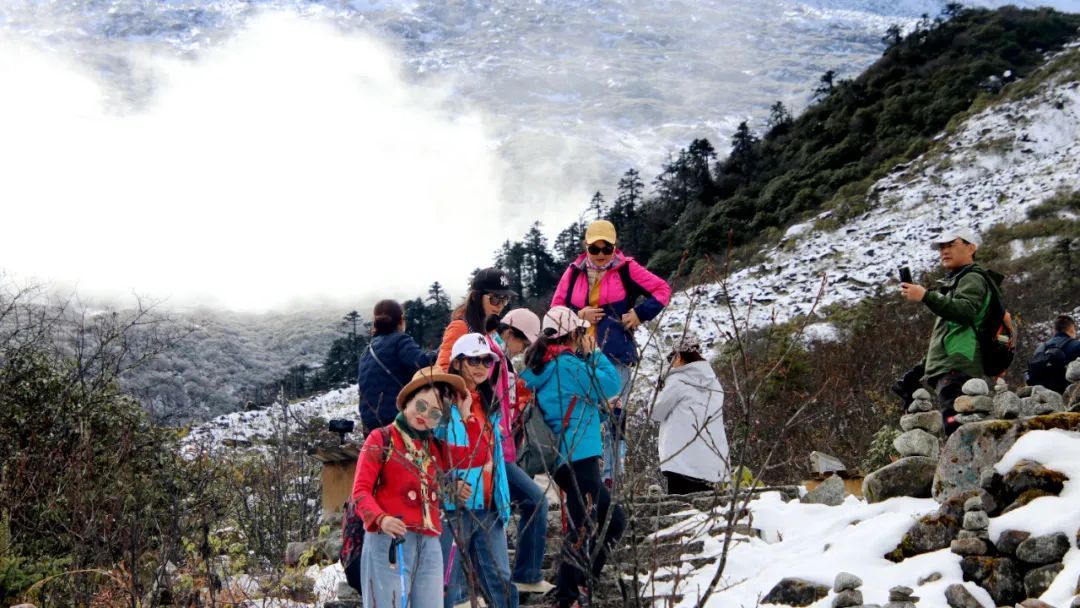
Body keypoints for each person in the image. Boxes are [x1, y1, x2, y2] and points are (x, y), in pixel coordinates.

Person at [551, 219, 671, 486]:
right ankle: (586, 478)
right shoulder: (573, 272)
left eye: (608, 249)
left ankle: (612, 478)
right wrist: (578, 315)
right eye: (596, 249)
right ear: (586, 246)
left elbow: (663, 290)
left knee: (615, 415)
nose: (603, 255)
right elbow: (555, 310)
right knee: (584, 416)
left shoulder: (627, 268)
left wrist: (640, 314)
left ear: (615, 247)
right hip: (579, 357)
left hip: (616, 354)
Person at [520, 306, 626, 608]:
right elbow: (609, 383)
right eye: (582, 333)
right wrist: (594, 354)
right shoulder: (567, 365)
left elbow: (575, 408)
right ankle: (568, 595)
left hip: (568, 456)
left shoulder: (547, 367)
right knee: (588, 524)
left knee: (611, 520)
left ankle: (578, 584)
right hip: (577, 455)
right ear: (575, 335)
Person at [348, 366, 474, 608]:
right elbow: (360, 491)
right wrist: (381, 519)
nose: (424, 415)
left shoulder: (435, 448)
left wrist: (466, 414)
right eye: (421, 405)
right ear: (408, 400)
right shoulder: (381, 439)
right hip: (388, 539)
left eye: (435, 414)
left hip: (429, 542)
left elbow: (474, 455)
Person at [437, 333, 519, 608]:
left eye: (486, 360)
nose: (482, 366)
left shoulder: (488, 404)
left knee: (501, 583)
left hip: (489, 506)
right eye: (475, 359)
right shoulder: (439, 404)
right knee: (448, 588)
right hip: (452, 510)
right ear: (458, 363)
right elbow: (427, 456)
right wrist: (448, 487)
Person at [900, 228, 1001, 435]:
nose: (944, 251)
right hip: (954, 363)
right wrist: (921, 369)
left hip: (959, 364)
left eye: (950, 245)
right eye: (941, 247)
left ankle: (965, 466)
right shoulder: (957, 281)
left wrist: (926, 296)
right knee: (959, 423)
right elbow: (949, 336)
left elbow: (966, 312)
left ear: (971, 248)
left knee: (957, 426)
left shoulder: (972, 277)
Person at [495, 308, 554, 595]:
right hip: (494, 451)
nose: (523, 349)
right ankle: (526, 575)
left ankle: (522, 575)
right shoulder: (493, 358)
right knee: (535, 501)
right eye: (523, 342)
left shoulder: (500, 360)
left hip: (500, 450)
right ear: (509, 333)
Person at [650, 335, 728, 495]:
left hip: (681, 458)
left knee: (681, 510)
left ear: (679, 356)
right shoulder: (714, 383)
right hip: (711, 460)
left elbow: (655, 412)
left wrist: (659, 387)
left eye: (671, 357)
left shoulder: (677, 381)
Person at [358, 299, 437, 433]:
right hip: (396, 419)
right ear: (401, 320)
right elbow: (423, 363)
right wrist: (445, 349)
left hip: (371, 424)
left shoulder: (366, 351)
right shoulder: (399, 340)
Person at [1026, 315, 1080, 394]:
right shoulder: (1076, 345)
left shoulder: (1040, 348)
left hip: (1041, 396)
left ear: (1054, 331)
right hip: (1067, 395)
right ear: (1071, 329)